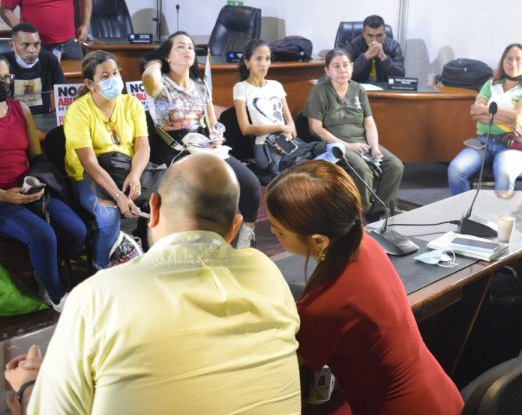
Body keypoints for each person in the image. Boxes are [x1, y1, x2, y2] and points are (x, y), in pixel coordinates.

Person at [5, 154, 301, 414]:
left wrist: (29, 388)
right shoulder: (266, 272)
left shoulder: (98, 296)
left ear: (154, 208)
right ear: (235, 226)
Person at [266, 160, 463, 414]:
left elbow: (284, 364)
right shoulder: (366, 244)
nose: (272, 232)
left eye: (279, 231)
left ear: (319, 241)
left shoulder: (324, 306)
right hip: (438, 393)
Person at [142, 32, 261, 249]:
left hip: (204, 145)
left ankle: (245, 237)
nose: (187, 50)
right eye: (180, 46)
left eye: (190, 47)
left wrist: (217, 134)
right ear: (168, 56)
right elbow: (149, 77)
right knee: (202, 193)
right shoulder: (160, 85)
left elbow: (213, 122)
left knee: (250, 184)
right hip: (175, 149)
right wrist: (155, 62)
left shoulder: (200, 85)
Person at [0, 57, 85, 311]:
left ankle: (44, 269)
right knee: (43, 235)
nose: (4, 83)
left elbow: (37, 156)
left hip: (28, 187)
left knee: (76, 230)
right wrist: (5, 195)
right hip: (3, 198)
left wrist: (35, 179)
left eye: (6, 78)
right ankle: (55, 294)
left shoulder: (20, 109)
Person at [64, 50, 148, 269]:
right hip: (89, 177)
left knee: (165, 199)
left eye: (115, 73)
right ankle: (100, 268)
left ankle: (145, 260)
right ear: (90, 84)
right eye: (105, 76)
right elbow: (89, 163)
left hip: (127, 170)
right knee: (109, 217)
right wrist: (118, 195)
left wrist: (135, 175)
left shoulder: (132, 103)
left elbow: (143, 145)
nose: (114, 79)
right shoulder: (78, 111)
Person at [305, 48, 404, 217]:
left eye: (345, 65)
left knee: (395, 166)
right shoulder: (319, 91)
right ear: (327, 71)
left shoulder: (358, 89)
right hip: (335, 145)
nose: (342, 70)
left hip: (361, 141)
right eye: (336, 66)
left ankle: (378, 212)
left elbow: (369, 123)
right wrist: (348, 146)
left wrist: (374, 147)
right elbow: (315, 128)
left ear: (352, 66)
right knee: (362, 169)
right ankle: (360, 214)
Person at [447, 43, 522, 194]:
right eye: (509, 59)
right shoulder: (490, 85)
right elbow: (475, 112)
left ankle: (497, 211)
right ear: (502, 62)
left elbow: (517, 116)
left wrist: (487, 112)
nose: (513, 63)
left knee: (504, 175)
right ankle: (464, 208)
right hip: (485, 141)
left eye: (518, 59)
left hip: (513, 145)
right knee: (455, 169)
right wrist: (508, 119)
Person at [232, 38, 297, 178]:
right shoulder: (241, 88)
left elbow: (291, 125)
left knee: (309, 165)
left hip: (284, 141)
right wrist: (280, 128)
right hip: (264, 145)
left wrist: (288, 134)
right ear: (247, 62)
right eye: (258, 59)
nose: (264, 64)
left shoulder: (276, 85)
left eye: (267, 59)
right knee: (293, 173)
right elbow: (245, 128)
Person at [0, 22, 65, 114]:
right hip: (12, 117)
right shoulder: (2, 63)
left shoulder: (49, 60)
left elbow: (63, 90)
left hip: (43, 116)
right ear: (12, 45)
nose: (32, 50)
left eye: (36, 44)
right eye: (25, 45)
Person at [343, 14, 405, 83]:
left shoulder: (393, 46)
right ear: (364, 34)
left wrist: (384, 58)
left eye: (379, 35)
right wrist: (365, 57)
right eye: (370, 35)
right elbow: (344, 74)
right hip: (359, 87)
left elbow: (400, 77)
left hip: (384, 88)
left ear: (384, 34)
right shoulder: (353, 45)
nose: (374, 40)